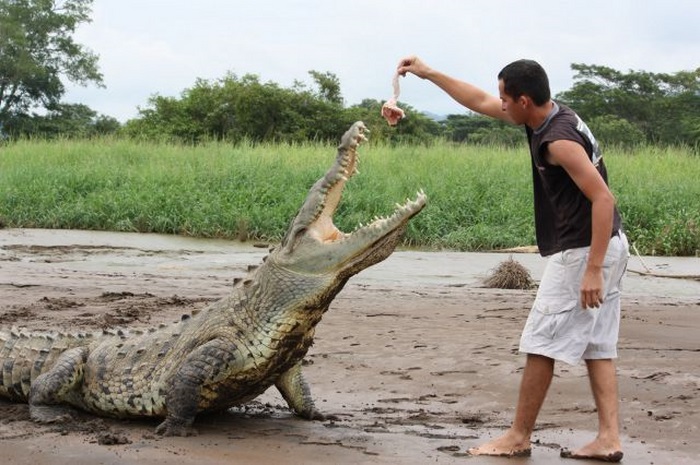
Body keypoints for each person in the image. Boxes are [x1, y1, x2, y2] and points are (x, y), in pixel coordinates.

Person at [396, 56, 629, 462]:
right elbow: (479, 100)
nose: (499, 104)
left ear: (523, 100)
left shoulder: (557, 140)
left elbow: (603, 198)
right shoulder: (549, 115)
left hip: (584, 251)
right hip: (609, 244)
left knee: (540, 343)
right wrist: (428, 72)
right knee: (598, 346)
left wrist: (592, 268)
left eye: (506, 98)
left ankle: (518, 436)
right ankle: (609, 438)